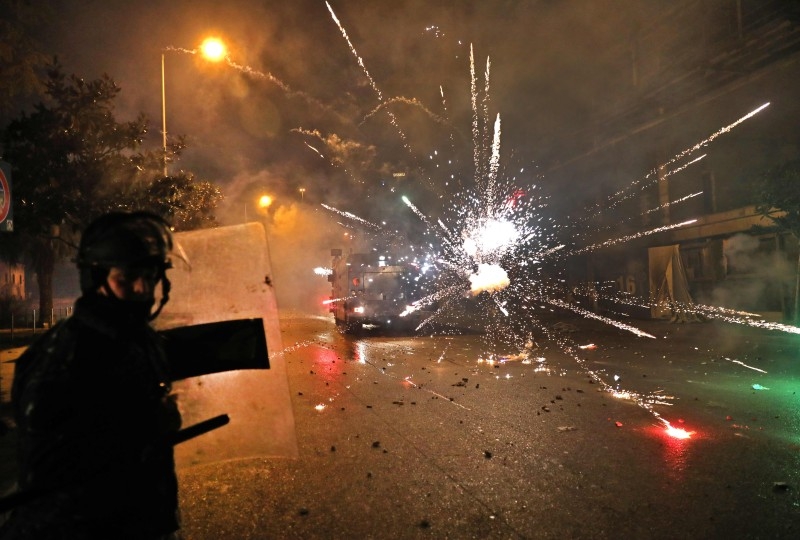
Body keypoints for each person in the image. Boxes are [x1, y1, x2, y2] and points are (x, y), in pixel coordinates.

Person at [1, 211, 182, 539]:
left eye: (149, 275)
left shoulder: (140, 339)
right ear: (94, 279)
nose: (142, 288)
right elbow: (44, 470)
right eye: (126, 278)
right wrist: (137, 428)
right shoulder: (64, 357)